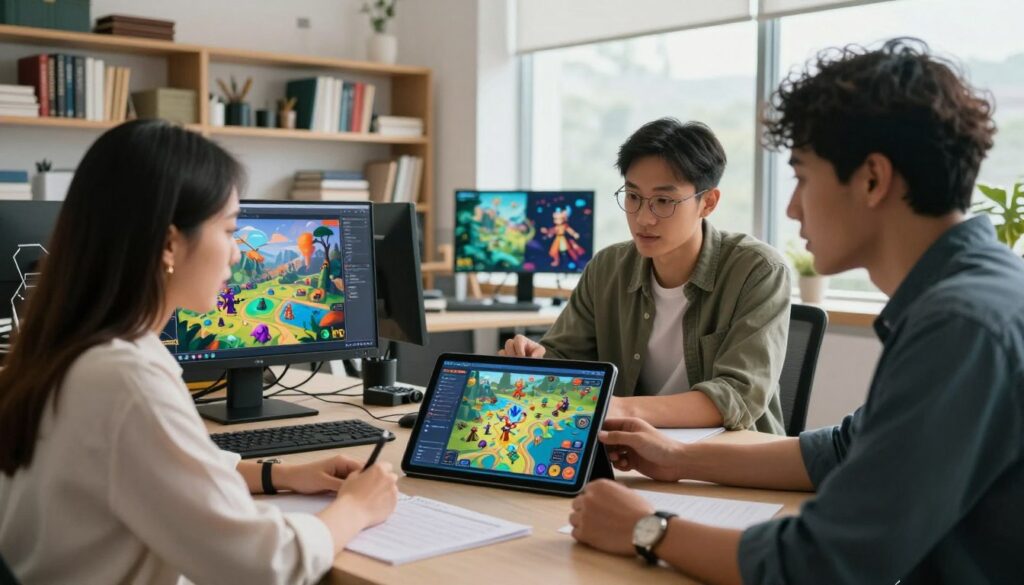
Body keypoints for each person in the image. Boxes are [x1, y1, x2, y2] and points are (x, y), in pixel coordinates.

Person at [568, 38, 1024, 585]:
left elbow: (826, 561)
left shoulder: (963, 325)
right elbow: (842, 450)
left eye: (803, 177)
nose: (791, 207)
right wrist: (677, 459)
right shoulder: (970, 295)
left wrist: (647, 530)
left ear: (872, 179)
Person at [0, 120, 398, 585]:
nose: (235, 253)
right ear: (170, 244)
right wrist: (356, 508)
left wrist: (284, 474)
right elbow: (261, 566)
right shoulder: (126, 380)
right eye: (228, 230)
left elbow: (167, 472)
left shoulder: (67, 351)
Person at [502, 119, 790, 433]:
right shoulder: (607, 268)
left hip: (727, 452)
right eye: (633, 196)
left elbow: (739, 395)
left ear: (708, 202)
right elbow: (566, 359)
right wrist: (536, 359)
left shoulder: (758, 271)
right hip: (630, 450)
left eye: (663, 201)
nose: (643, 218)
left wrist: (619, 408)